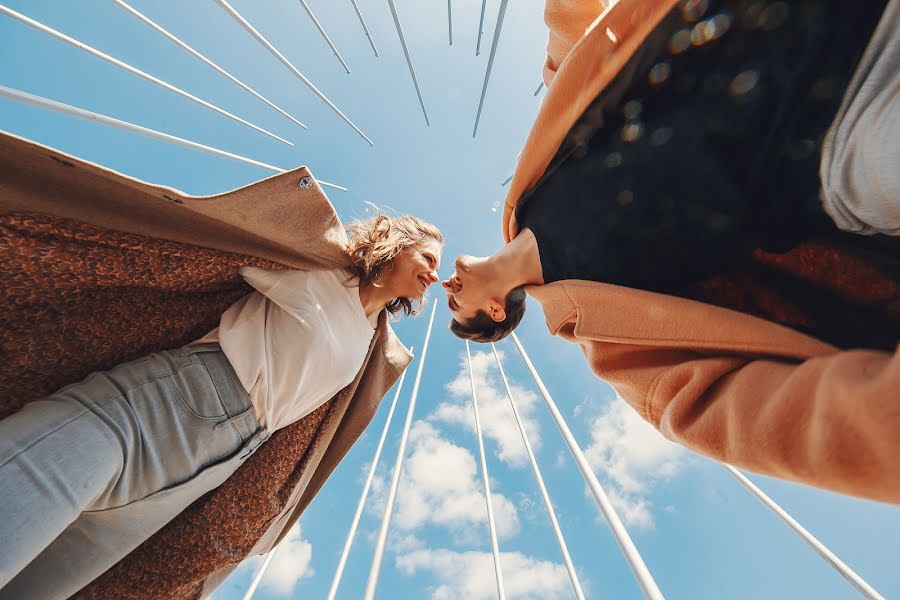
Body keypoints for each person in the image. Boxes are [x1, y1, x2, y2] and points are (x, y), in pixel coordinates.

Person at [444, 0, 900, 503]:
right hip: (849, 133)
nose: (446, 285)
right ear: (493, 310)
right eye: (455, 305)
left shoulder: (529, 195)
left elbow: (580, 56)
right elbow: (721, 408)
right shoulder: (605, 332)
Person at [0, 133, 442, 598]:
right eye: (429, 257)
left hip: (223, 459)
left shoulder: (373, 344)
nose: (434, 273)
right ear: (397, 240)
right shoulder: (322, 270)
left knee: (41, 589)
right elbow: (218, 250)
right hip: (175, 398)